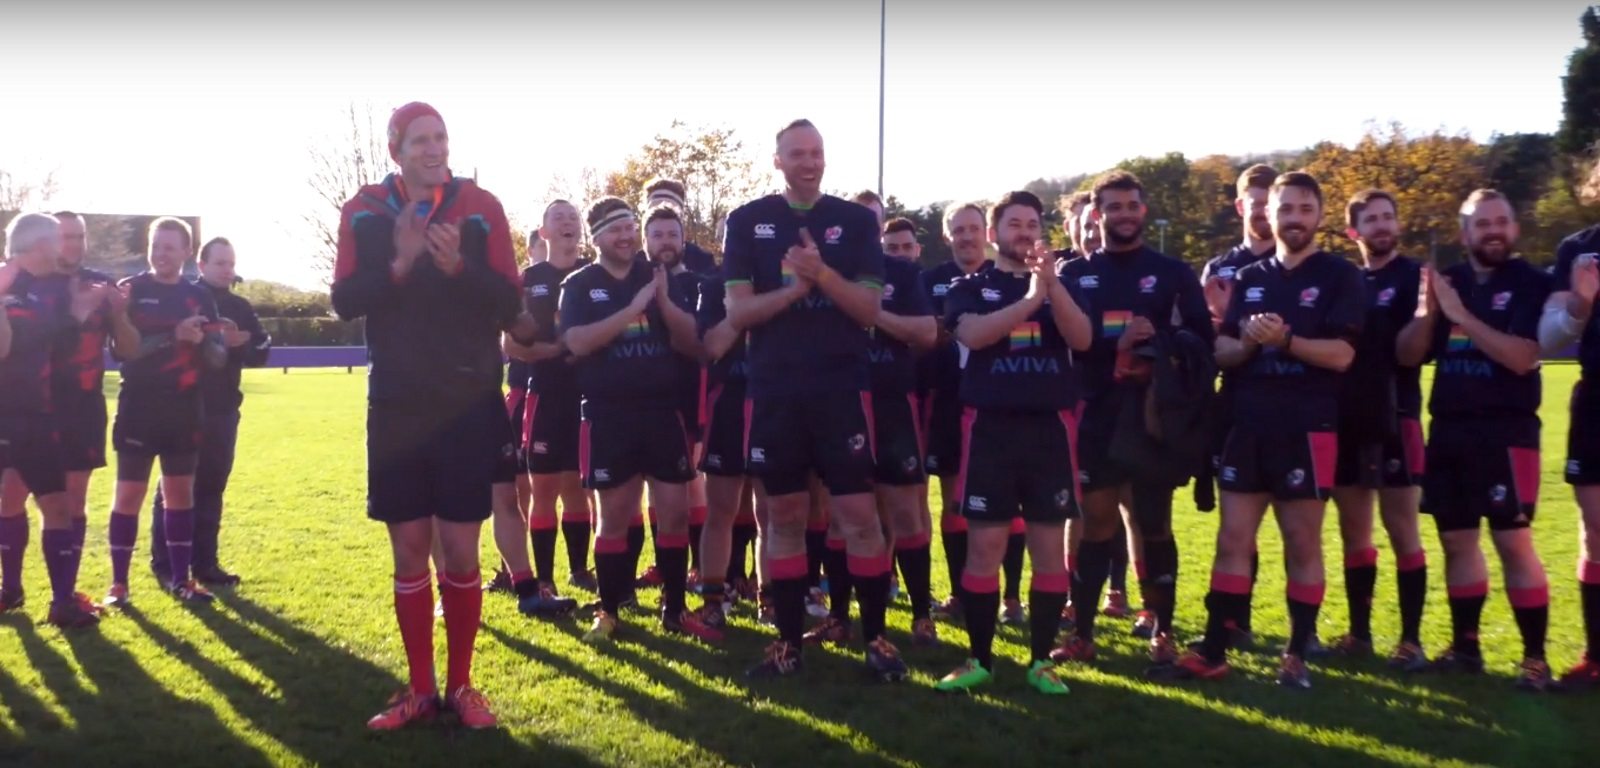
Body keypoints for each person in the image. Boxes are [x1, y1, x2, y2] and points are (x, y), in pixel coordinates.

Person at [331, 102, 530, 730]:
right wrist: (399, 263)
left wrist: (454, 267)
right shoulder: (364, 209)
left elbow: (509, 302)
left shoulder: (481, 206)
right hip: (395, 402)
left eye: (440, 137)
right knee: (410, 550)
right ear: (396, 149)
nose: (434, 147)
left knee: (461, 553)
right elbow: (344, 301)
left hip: (466, 400)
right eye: (420, 139)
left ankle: (463, 686)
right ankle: (419, 689)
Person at [1162, 172, 1362, 690]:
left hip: (1307, 426)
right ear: (1267, 215)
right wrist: (1250, 344)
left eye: (1304, 209)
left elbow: (1342, 356)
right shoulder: (1248, 277)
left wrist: (1287, 339)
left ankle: (1297, 653)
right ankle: (1213, 648)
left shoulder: (1341, 275)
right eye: (1285, 209)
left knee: (1301, 541)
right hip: (1248, 422)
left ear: (1318, 215)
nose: (1294, 218)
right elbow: (1222, 352)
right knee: (1233, 538)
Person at [723, 119, 902, 680]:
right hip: (775, 392)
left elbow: (870, 312)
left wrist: (820, 274)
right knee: (785, 516)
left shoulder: (852, 222)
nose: (809, 161)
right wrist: (794, 289)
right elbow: (738, 315)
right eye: (797, 153)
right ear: (777, 160)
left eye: (817, 152)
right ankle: (788, 645)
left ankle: (877, 641)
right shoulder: (747, 222)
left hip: (840, 390)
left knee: (858, 516)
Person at [931, 190, 1091, 695]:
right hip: (990, 432)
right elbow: (973, 336)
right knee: (985, 549)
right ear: (994, 233)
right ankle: (979, 659)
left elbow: (1083, 339)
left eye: (1031, 224)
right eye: (1013, 224)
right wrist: (1029, 301)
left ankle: (1041, 661)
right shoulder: (969, 286)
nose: (1023, 232)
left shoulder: (1062, 284)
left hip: (1048, 431)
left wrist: (1051, 289)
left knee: (1048, 551)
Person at [1396, 189, 1556, 691]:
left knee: (1513, 541)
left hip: (1507, 432)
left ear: (1514, 229)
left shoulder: (1532, 283)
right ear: (1464, 233)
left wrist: (1461, 315)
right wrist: (1428, 312)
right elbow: (1407, 356)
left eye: (1501, 222)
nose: (1493, 230)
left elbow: (1524, 357)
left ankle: (1534, 659)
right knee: (1457, 540)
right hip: (1449, 430)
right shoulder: (1449, 282)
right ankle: (1466, 647)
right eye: (1481, 223)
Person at [1056, 171, 1212, 672]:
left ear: (1143, 211)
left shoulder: (1172, 273)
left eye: (1131, 205)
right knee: (1095, 521)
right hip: (1096, 412)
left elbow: (1203, 341)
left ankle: (1162, 632)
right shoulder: (1075, 275)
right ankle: (1082, 634)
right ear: (1097, 214)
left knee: (1153, 523)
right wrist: (1115, 343)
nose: (1123, 214)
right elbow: (1068, 343)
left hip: (1151, 416)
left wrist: (1159, 342)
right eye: (1113, 207)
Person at [560, 199, 714, 643]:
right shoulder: (580, 285)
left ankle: (675, 608)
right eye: (615, 230)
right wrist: (632, 311)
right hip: (610, 415)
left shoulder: (661, 278)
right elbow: (577, 342)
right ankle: (608, 612)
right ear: (596, 238)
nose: (625, 236)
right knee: (613, 519)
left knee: (674, 515)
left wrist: (662, 300)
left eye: (629, 226)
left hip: (663, 413)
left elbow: (692, 344)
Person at [1324, 190, 1429, 669]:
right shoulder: (1345, 280)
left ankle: (1411, 639)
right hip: (1347, 417)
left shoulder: (1414, 277)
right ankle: (1359, 634)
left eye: (1389, 217)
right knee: (1354, 532)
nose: (1383, 226)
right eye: (1372, 220)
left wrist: (1428, 314)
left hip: (1397, 415)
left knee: (1403, 528)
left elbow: (1412, 352)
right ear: (1354, 231)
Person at [104, 217, 227, 607]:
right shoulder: (131, 291)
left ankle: (181, 580)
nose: (161, 254)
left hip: (184, 407)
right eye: (156, 246)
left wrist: (212, 341)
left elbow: (217, 358)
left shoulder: (199, 296)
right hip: (139, 405)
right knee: (129, 495)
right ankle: (119, 585)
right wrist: (173, 337)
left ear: (186, 252)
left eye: (169, 247)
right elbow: (123, 351)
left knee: (179, 495)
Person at [0, 212, 111, 627]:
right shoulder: (8, 283)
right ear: (39, 247)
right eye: (56, 241)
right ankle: (11, 589)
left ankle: (61, 601)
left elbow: (58, 342)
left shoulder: (51, 288)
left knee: (57, 505)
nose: (63, 248)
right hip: (9, 415)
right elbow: (17, 344)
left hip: (40, 416)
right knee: (12, 499)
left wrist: (79, 313)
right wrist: (76, 315)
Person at [150, 237, 271, 586]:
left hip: (222, 409)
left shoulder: (240, 305)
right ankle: (166, 563)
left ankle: (206, 563)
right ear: (200, 265)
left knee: (212, 486)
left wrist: (242, 345)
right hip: (181, 405)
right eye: (220, 263)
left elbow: (261, 351)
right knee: (174, 487)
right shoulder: (183, 298)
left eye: (231, 264)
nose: (227, 270)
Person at [1194, 163, 1279, 646]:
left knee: (1295, 522)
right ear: (1240, 205)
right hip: (1236, 401)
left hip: (1293, 402)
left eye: (1273, 202)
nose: (1264, 210)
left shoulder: (1300, 266)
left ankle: (1304, 633)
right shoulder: (1218, 267)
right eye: (1256, 201)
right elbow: (1206, 338)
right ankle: (1235, 620)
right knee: (1236, 523)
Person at [504, 201, 588, 615]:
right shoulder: (530, 279)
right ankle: (545, 577)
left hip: (589, 397)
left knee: (579, 490)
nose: (569, 223)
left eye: (574, 217)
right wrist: (555, 349)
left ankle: (579, 570)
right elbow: (509, 345)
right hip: (545, 396)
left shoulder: (594, 274)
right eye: (560, 218)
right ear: (544, 231)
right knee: (544, 491)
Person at [921, 203, 991, 622]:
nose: (966, 236)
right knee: (954, 500)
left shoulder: (1009, 279)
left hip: (1000, 400)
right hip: (948, 398)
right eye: (958, 230)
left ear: (987, 232)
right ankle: (963, 593)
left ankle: (1011, 596)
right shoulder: (929, 281)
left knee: (1003, 500)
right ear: (947, 236)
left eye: (973, 228)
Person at [870, 217, 938, 646]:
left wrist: (874, 315)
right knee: (848, 516)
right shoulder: (830, 270)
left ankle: (921, 613)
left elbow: (926, 334)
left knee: (906, 512)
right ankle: (844, 614)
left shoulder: (905, 275)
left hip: (894, 401)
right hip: (839, 403)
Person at [1543, 223, 1600, 689]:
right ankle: (1596, 655)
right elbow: (1551, 338)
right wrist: (1580, 304)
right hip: (1596, 397)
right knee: (1595, 528)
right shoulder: (1577, 249)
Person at [643, 178, 716, 275]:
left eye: (669, 210)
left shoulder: (703, 263)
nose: (661, 216)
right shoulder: (631, 266)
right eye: (654, 212)